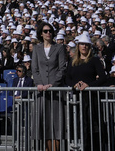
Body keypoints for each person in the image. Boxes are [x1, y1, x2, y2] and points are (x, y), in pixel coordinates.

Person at [31, 22, 67, 151]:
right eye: (45, 31)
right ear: (41, 33)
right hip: (41, 91)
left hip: (56, 90)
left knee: (56, 123)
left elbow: (62, 68)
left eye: (50, 31)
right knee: (43, 122)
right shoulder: (36, 48)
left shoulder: (59, 48)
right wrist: (39, 84)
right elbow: (34, 69)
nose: (48, 33)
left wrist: (53, 84)